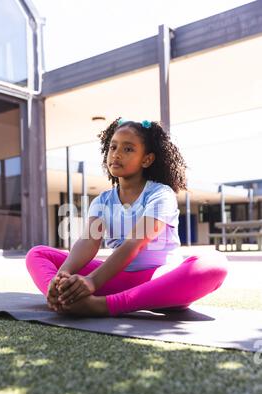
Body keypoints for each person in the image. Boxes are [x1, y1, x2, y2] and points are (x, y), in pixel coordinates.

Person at [26, 117, 228, 317]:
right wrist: (62, 276)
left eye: (128, 149)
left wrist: (93, 281)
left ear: (147, 159)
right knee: (38, 254)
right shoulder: (102, 201)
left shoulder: (161, 194)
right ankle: (61, 296)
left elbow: (135, 243)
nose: (117, 154)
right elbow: (88, 241)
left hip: (159, 280)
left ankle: (101, 306)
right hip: (116, 278)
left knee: (215, 264)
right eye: (113, 147)